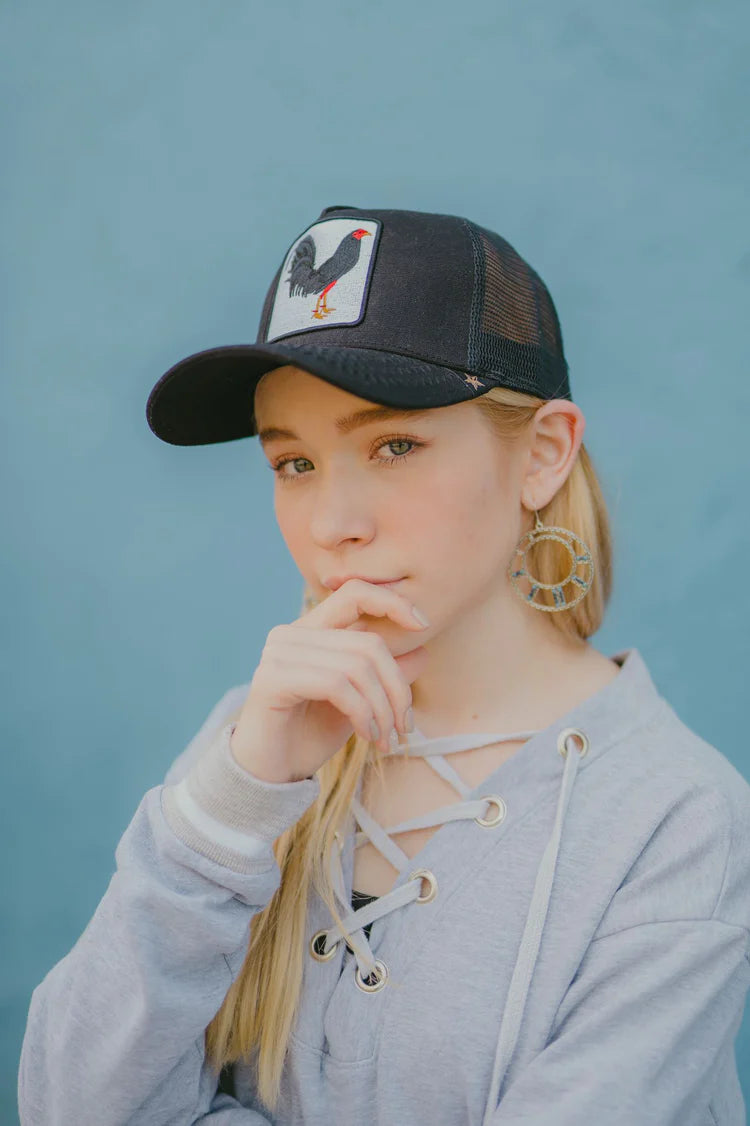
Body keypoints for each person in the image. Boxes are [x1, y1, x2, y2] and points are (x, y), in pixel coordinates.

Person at [18, 205, 750, 1125]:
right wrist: (237, 800)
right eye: (294, 464)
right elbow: (71, 1105)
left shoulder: (676, 823)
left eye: (394, 445)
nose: (333, 524)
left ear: (544, 454)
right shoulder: (255, 744)